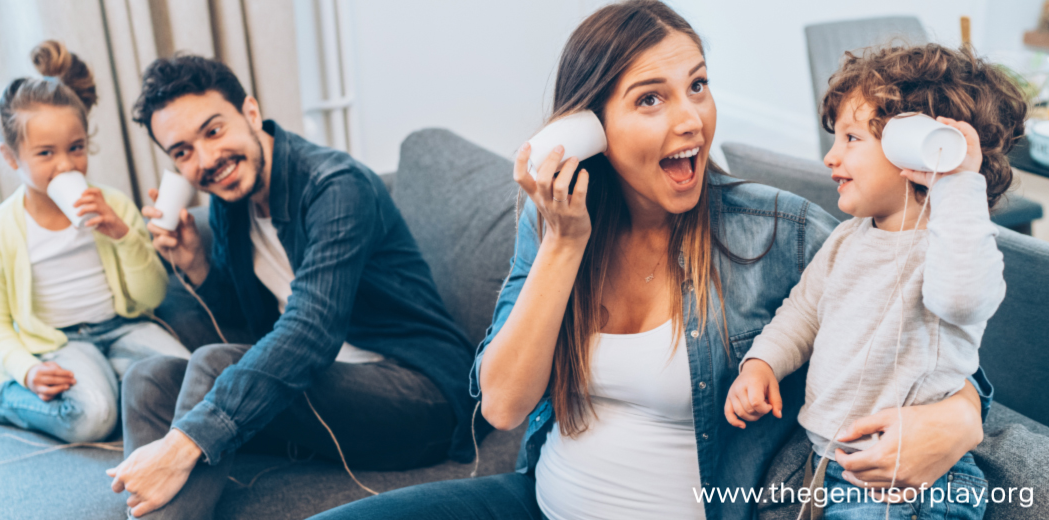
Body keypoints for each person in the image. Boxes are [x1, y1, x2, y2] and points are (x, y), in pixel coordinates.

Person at [311, 2, 993, 519]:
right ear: (589, 126)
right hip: (536, 500)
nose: (691, 118)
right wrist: (562, 243)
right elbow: (505, 403)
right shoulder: (554, 221)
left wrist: (960, 419)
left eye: (697, 86)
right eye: (650, 99)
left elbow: (933, 336)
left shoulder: (774, 229)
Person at [106, 54, 481, 518]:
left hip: (417, 394)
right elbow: (248, 321)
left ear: (249, 112)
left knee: (213, 365)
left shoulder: (336, 187)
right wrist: (196, 264)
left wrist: (185, 441)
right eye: (182, 152)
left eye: (213, 130)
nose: (206, 160)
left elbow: (308, 333)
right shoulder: (231, 202)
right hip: (322, 389)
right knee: (148, 378)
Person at [726, 43, 1025, 519]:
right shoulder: (847, 239)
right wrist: (762, 364)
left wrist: (958, 184)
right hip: (834, 465)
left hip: (906, 485)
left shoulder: (949, 245)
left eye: (851, 139)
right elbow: (803, 313)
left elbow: (964, 301)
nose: (830, 156)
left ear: (915, 145)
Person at [0, 41, 190, 442]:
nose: (66, 164)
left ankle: (111, 377)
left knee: (197, 383)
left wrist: (125, 237)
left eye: (76, 148)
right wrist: (25, 368)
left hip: (123, 327)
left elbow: (151, 297)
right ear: (12, 159)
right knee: (92, 418)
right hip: (60, 342)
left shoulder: (112, 205)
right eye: (46, 153)